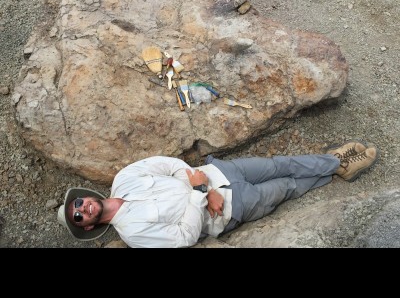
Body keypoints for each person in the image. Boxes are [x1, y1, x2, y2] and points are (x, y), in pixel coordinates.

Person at [57, 139, 379, 248]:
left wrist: (199, 182)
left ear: (84, 196)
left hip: (222, 172)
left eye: (78, 203)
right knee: (287, 187)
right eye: (78, 216)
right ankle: (337, 170)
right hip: (225, 209)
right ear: (87, 226)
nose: (82, 208)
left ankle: (336, 161)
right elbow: (184, 236)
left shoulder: (124, 179)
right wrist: (200, 195)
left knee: (280, 163)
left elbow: (167, 165)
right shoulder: (133, 234)